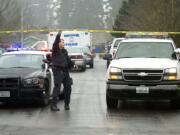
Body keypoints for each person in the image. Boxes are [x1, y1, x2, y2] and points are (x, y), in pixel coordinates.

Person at [51, 33, 74, 111]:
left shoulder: (64, 51)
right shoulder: (55, 50)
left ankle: (66, 104)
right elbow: (55, 42)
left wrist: (72, 64)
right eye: (62, 42)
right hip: (58, 71)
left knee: (68, 88)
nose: (63, 43)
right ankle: (54, 105)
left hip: (65, 71)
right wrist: (58, 35)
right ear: (58, 43)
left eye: (64, 42)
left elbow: (68, 61)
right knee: (57, 88)